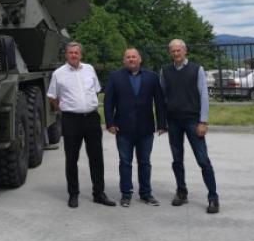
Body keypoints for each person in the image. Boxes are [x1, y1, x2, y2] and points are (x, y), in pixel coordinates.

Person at [47, 41, 116, 208]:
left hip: (91, 118)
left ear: (81, 54)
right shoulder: (58, 74)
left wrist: (87, 105)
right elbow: (52, 96)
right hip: (71, 120)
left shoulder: (89, 69)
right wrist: (63, 108)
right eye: (70, 53)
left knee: (96, 157)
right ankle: (73, 194)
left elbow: (96, 90)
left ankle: (99, 193)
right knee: (72, 158)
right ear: (66, 55)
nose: (74, 55)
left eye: (76, 53)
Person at [160, 39, 220, 213]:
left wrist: (203, 121)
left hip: (193, 121)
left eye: (178, 50)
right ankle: (181, 192)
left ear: (185, 51)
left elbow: (204, 96)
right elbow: (161, 97)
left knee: (203, 160)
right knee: (177, 159)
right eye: (173, 51)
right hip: (173, 121)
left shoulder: (196, 69)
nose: (176, 54)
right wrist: (162, 122)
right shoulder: (165, 71)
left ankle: (213, 197)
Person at [104, 48, 167, 207]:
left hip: (146, 128)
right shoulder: (115, 77)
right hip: (123, 128)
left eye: (134, 57)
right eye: (128, 57)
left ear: (140, 59)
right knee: (125, 162)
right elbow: (108, 102)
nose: (131, 59)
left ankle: (146, 194)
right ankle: (126, 194)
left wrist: (161, 124)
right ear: (124, 60)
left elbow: (159, 102)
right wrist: (110, 123)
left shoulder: (152, 77)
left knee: (145, 162)